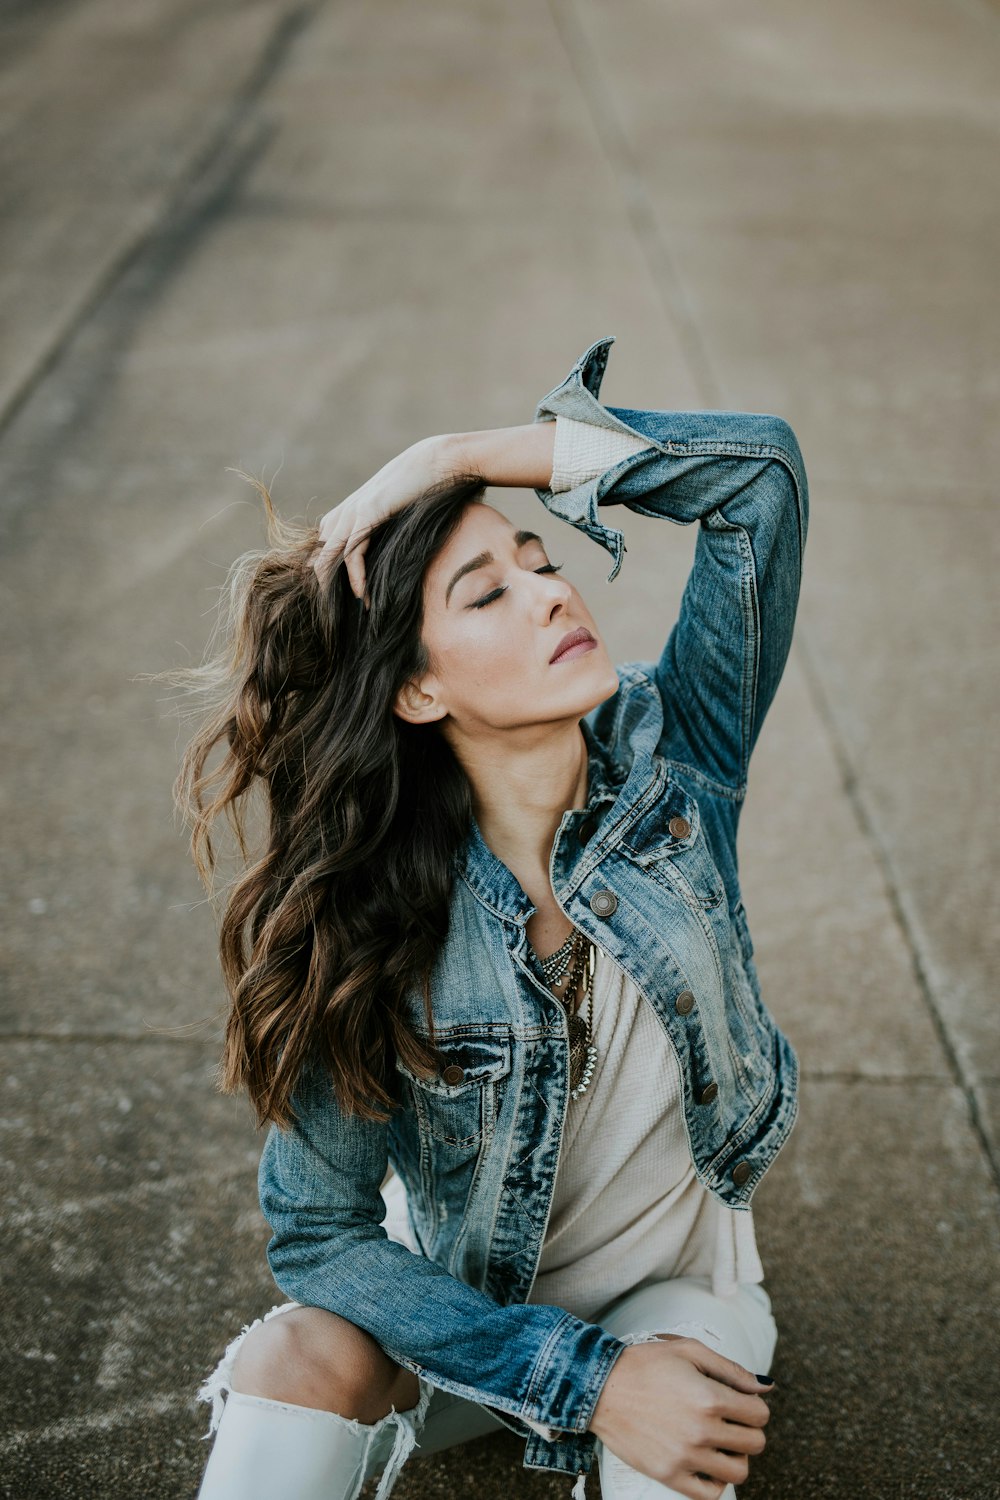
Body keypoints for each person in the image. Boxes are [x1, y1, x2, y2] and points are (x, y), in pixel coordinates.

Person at [173, 335, 809, 1500]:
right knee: (292, 1351)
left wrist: (455, 456)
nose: (552, 589)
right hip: (477, 1321)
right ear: (419, 689)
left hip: (676, 1299)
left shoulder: (683, 770)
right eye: (490, 592)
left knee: (673, 1422)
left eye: (538, 559)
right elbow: (322, 1237)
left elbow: (757, 481)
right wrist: (577, 1377)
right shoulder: (371, 917)